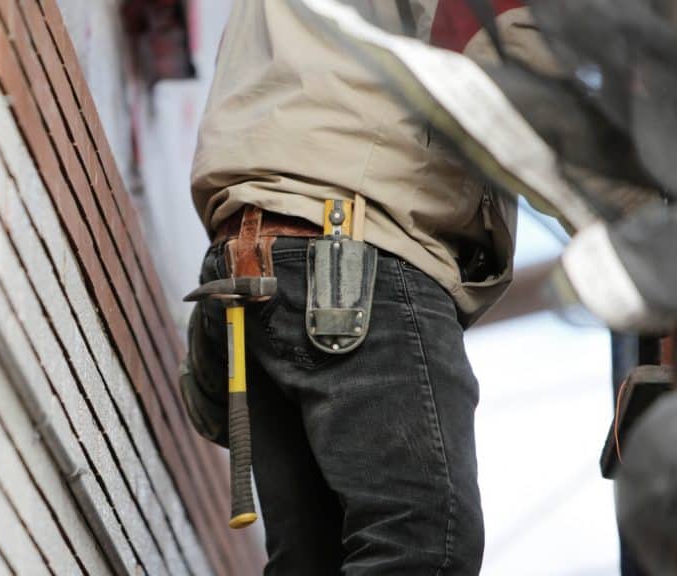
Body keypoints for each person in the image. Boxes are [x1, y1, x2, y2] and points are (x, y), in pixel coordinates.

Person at [184, 1, 560, 573]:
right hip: (352, 256)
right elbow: (507, 71)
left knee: (315, 559)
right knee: (427, 541)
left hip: (259, 259)